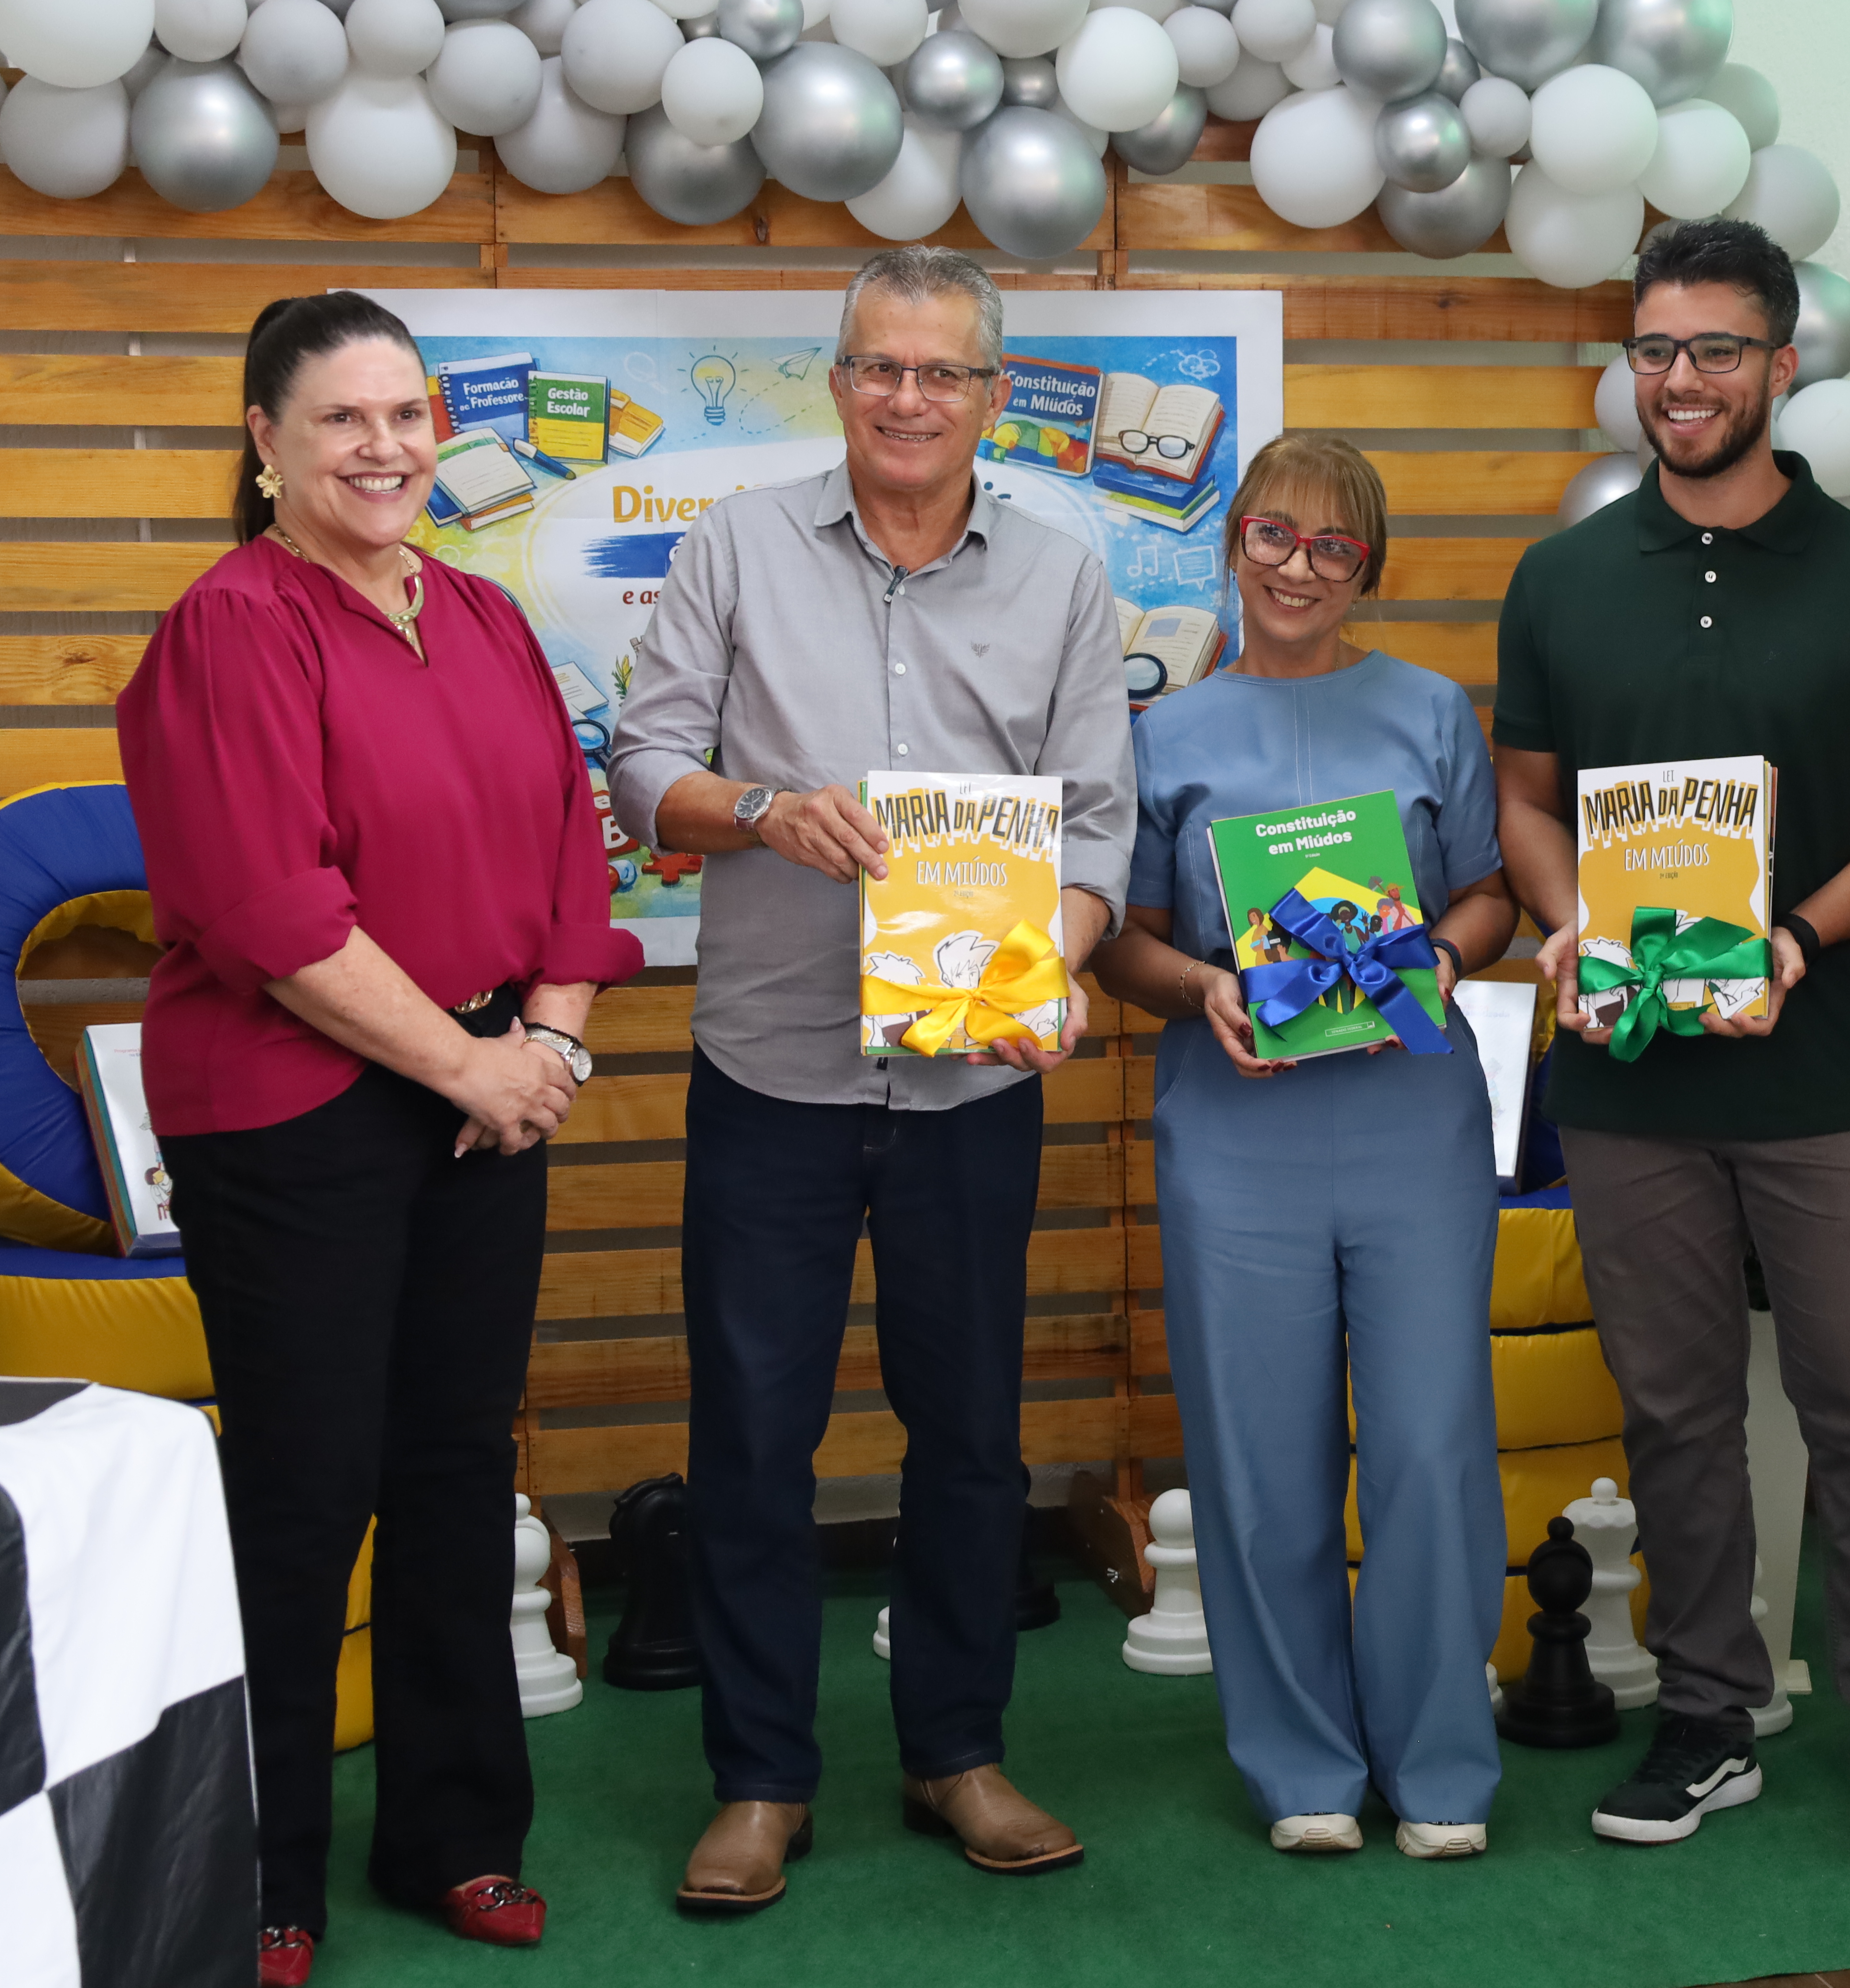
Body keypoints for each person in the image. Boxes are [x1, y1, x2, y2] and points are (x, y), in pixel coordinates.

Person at [118, 292, 643, 1987]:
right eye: (341, 419)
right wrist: (474, 1071)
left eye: (408, 414)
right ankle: (259, 1873)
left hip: (492, 1103)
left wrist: (548, 1038)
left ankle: (459, 1837)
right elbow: (275, 908)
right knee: (302, 1494)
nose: (386, 447)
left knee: (447, 1472)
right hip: (297, 1119)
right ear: (263, 446)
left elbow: (576, 853)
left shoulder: (487, 619)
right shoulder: (229, 628)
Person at [605, 247, 1134, 1912]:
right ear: (835, 382)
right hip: (768, 1069)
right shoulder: (735, 547)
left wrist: (1046, 958)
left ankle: (956, 1752)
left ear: (992, 397)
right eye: (879, 368)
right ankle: (762, 1781)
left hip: (972, 1084)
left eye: (944, 374)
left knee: (970, 1435)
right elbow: (641, 772)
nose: (909, 398)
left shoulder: (1062, 577)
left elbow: (1099, 825)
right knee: (754, 1437)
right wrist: (761, 810)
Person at [1491, 218, 1850, 1872]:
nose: (1680, 380)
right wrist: (1563, 923)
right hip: (1628, 1083)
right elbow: (1525, 808)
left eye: (1714, 350)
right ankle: (1709, 1716)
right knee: (1678, 1413)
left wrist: (1798, 937)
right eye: (1654, 350)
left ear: (1782, 365)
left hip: (1823, 1077)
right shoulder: (1561, 580)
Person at [1090, 436, 1518, 1860]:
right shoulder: (1164, 734)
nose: (1296, 568)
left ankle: (1442, 1761)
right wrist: (1200, 986)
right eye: (1274, 536)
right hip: (1237, 1131)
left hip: (1413, 1119)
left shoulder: (1430, 712)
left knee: (1431, 1442)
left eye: (1333, 548)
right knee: (1260, 1456)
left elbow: (1487, 894)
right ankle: (1303, 1769)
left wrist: (1441, 964)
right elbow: (1128, 946)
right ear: (1232, 544)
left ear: (1369, 573)